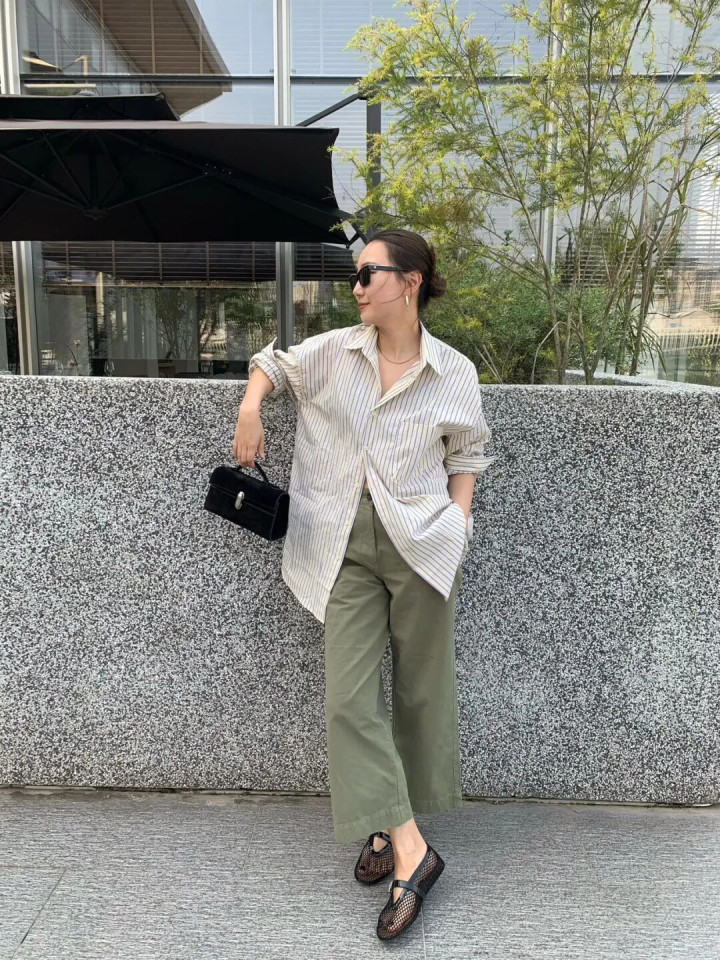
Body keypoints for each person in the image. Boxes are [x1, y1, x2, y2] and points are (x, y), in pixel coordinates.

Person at [234, 228, 495, 940]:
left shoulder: (453, 371)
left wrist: (458, 524)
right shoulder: (334, 353)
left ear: (410, 282)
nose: (355, 288)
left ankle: (384, 826)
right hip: (340, 543)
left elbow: (468, 454)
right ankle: (412, 849)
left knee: (419, 691)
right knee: (349, 698)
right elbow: (271, 362)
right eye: (355, 275)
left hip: (421, 541)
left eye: (368, 274)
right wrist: (251, 407)